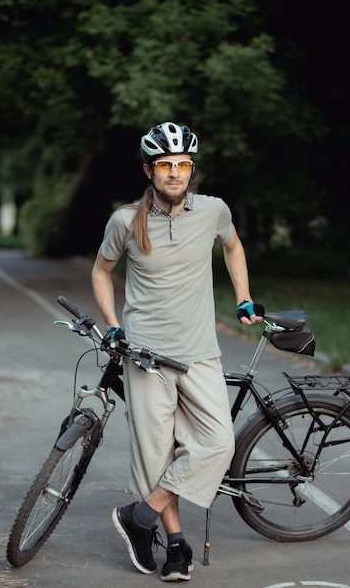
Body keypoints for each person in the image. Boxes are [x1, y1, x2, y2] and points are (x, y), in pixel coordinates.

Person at [91, 121, 263, 582]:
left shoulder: (213, 211)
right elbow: (101, 272)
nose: (175, 173)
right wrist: (112, 326)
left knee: (218, 443)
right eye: (165, 165)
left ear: (192, 169)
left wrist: (243, 295)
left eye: (183, 164)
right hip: (147, 356)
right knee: (155, 454)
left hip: (200, 350)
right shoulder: (126, 221)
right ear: (149, 169)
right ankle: (176, 545)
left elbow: (233, 246)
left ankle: (141, 514)